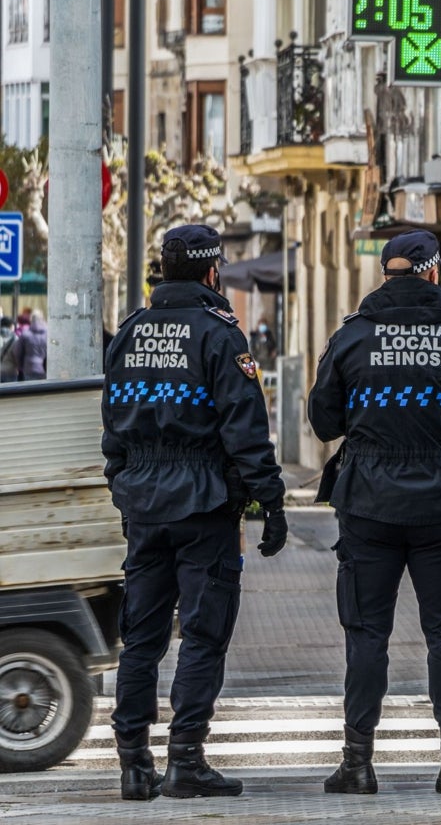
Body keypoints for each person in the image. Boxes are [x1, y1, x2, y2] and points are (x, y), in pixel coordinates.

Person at [308, 228, 441, 796]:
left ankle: (357, 762)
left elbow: (323, 422)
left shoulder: (352, 338)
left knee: (366, 634)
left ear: (386, 272)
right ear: (434, 273)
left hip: (368, 503)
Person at [101, 224, 289, 801]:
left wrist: (125, 485)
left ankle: (134, 765)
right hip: (204, 505)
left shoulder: (129, 333)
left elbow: (111, 427)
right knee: (203, 635)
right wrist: (271, 501)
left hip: (144, 504)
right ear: (212, 273)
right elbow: (245, 428)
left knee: (142, 640)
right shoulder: (217, 333)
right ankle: (185, 759)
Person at [11, 308, 47, 380]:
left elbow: (17, 351)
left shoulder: (25, 333)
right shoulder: (48, 334)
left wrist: (21, 365)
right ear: (42, 318)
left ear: (31, 319)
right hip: (44, 368)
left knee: (30, 390)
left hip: (29, 367)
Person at [0, 316, 17, 382]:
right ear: (10, 326)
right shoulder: (15, 338)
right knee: (11, 391)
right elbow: (17, 355)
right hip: (11, 370)